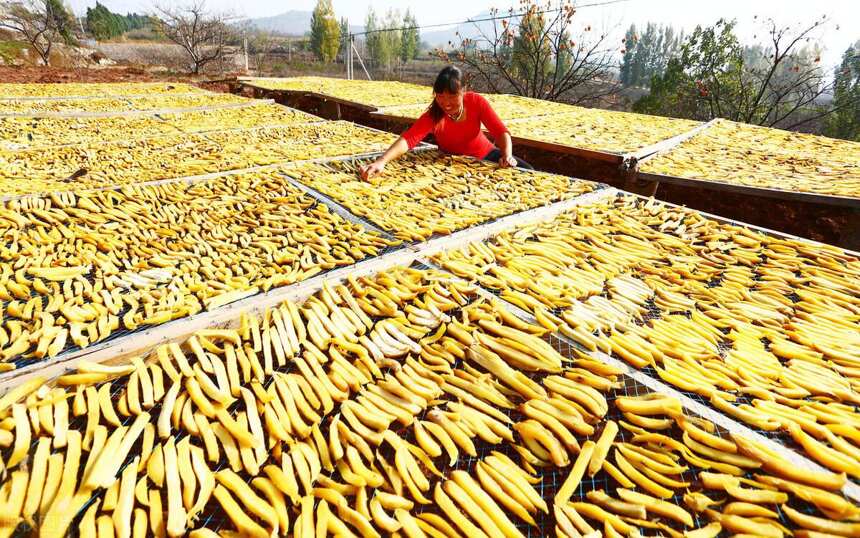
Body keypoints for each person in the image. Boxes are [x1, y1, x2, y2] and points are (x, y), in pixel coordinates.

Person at [359, 66, 532, 180]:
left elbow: (500, 131)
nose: (446, 102)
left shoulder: (476, 102)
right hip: (453, 163)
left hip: (487, 156)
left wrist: (506, 155)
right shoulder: (434, 114)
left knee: (528, 171)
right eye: (440, 96)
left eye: (452, 96)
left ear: (463, 91)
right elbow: (409, 139)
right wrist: (382, 161)